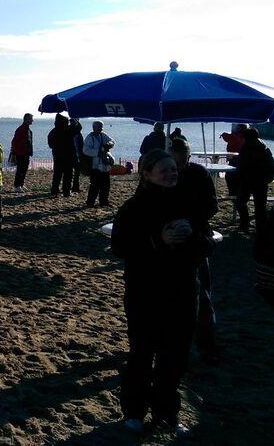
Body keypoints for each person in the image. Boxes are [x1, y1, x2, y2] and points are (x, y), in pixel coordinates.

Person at [110, 149, 214, 437]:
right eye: (164, 170)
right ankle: (134, 412)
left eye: (174, 170)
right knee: (141, 355)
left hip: (182, 291)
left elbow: (208, 246)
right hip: (145, 292)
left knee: (175, 358)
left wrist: (192, 236)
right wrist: (158, 240)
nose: (171, 174)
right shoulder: (134, 207)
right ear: (146, 173)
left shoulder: (189, 204)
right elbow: (120, 247)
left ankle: (167, 412)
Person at [169, 139, 220, 363]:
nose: (177, 168)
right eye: (174, 163)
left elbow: (212, 206)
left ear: (188, 157)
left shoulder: (199, 174)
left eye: (181, 163)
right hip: (171, 240)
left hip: (196, 239)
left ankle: (204, 344)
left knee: (201, 295)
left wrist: (190, 221)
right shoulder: (165, 174)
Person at [236, 127, 274, 233]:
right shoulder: (254, 147)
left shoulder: (260, 149)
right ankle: (249, 225)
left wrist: (266, 179)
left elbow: (271, 167)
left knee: (256, 207)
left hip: (257, 181)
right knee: (247, 204)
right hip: (252, 181)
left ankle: (252, 226)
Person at [83, 121, 115, 207]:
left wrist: (109, 144)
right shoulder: (89, 138)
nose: (100, 129)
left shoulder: (102, 135)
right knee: (94, 186)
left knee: (106, 185)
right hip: (95, 166)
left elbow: (112, 141)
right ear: (94, 128)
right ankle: (90, 202)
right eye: (99, 127)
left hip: (104, 165)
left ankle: (104, 201)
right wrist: (98, 152)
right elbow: (85, 150)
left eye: (101, 127)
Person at [48, 114, 74, 197]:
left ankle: (54, 190)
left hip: (57, 155)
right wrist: (74, 121)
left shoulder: (53, 131)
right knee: (68, 175)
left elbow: (50, 144)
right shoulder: (68, 130)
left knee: (57, 174)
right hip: (68, 156)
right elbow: (78, 128)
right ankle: (66, 191)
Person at [221, 124, 247, 196]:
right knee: (236, 177)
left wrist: (223, 134)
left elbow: (227, 138)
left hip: (235, 159)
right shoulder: (245, 138)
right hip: (242, 160)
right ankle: (236, 192)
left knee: (230, 176)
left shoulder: (235, 137)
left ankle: (233, 193)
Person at [10, 113, 34, 192]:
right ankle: (17, 185)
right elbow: (14, 141)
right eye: (31, 119)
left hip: (26, 152)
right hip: (21, 153)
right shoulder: (21, 129)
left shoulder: (27, 129)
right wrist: (15, 152)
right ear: (27, 119)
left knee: (24, 169)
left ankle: (21, 184)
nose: (32, 120)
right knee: (20, 169)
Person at [70, 118, 83, 193]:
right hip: (74, 155)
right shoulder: (76, 131)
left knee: (74, 172)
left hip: (74, 154)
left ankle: (74, 187)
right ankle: (74, 187)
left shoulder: (71, 131)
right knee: (75, 172)